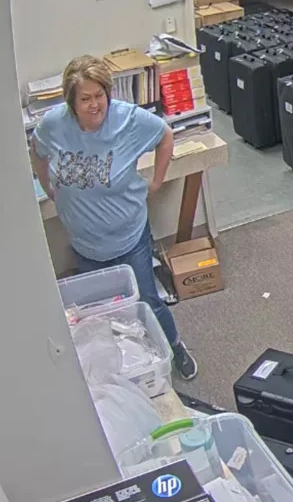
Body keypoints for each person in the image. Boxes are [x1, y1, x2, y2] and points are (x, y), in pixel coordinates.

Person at [30, 55, 198, 380]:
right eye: (85, 98)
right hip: (85, 242)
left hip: (129, 236)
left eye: (100, 95)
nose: (95, 105)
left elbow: (165, 134)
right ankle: (123, 365)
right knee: (100, 313)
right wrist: (49, 187)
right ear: (72, 102)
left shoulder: (127, 120)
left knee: (148, 300)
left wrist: (158, 181)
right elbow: (37, 152)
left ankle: (174, 347)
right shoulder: (53, 124)